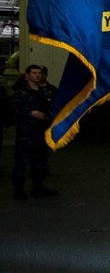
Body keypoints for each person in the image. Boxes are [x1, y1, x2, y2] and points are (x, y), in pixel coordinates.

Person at [11, 65, 57, 199]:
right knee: (21, 162)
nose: (37, 75)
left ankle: (38, 187)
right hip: (26, 134)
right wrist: (30, 113)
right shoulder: (21, 93)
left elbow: (51, 110)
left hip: (41, 133)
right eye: (34, 73)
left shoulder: (46, 93)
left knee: (40, 162)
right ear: (27, 76)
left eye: (39, 73)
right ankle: (18, 189)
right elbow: (13, 113)